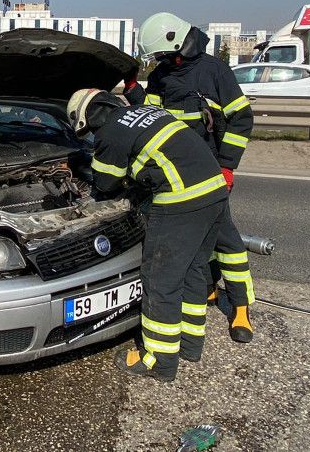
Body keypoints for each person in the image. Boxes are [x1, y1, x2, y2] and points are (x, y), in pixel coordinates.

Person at [67, 88, 237, 382]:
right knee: (194, 269)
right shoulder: (148, 112)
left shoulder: (110, 132)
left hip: (181, 202)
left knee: (160, 281)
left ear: (86, 120)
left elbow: (106, 184)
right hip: (214, 192)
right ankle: (190, 344)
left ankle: (159, 359)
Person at [126, 12, 256, 343]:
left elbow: (241, 118)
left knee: (225, 237)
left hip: (212, 172)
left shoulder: (214, 71)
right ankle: (208, 287)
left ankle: (240, 306)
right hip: (176, 174)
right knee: (199, 240)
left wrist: (227, 165)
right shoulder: (160, 76)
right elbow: (151, 117)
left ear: (176, 43)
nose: (159, 62)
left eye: (161, 55)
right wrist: (131, 90)